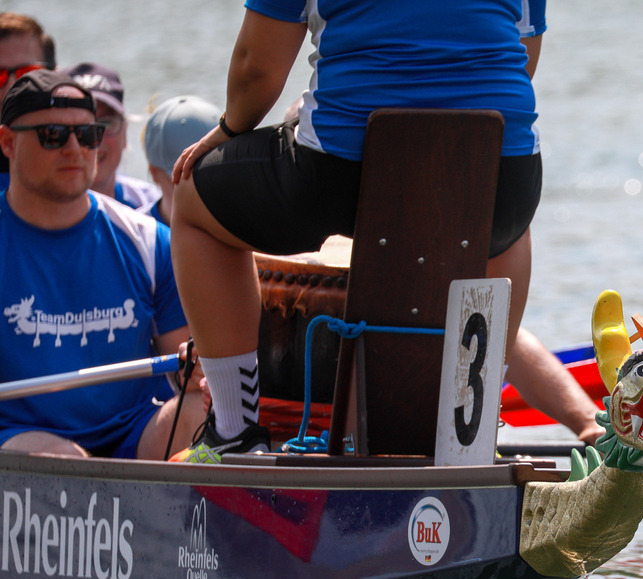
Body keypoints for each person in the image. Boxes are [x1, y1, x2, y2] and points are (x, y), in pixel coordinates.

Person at [169, 0, 547, 461]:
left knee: (192, 200)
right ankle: (471, 432)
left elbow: (255, 69)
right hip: (504, 173)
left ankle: (232, 432)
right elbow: (524, 56)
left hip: (340, 169)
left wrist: (228, 131)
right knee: (507, 228)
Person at [0, 69, 205, 459]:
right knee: (64, 461)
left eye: (89, 134)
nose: (75, 149)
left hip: (131, 429)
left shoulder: (149, 241)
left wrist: (193, 375)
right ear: (7, 142)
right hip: (20, 436)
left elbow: (184, 368)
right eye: (53, 135)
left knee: (198, 412)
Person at [61, 62, 160, 210]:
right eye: (81, 126)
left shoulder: (153, 206)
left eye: (106, 124)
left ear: (125, 133)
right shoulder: (29, 210)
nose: (95, 138)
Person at [140, 95, 221, 224]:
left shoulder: (251, 228)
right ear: (154, 172)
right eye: (187, 177)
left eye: (216, 177)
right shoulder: (131, 237)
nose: (203, 193)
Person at [0, 12, 56, 192]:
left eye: (27, 72)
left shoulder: (79, 144)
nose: (11, 86)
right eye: (0, 76)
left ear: (55, 75)